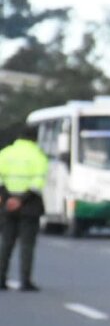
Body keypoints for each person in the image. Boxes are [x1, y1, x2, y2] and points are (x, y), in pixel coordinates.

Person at [0, 124, 49, 291]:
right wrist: (20, 199)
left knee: (6, 243)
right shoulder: (38, 156)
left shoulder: (5, 153)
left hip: (7, 204)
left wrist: (9, 198)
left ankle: (1, 278)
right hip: (30, 205)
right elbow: (37, 184)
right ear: (35, 138)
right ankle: (25, 280)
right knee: (27, 245)